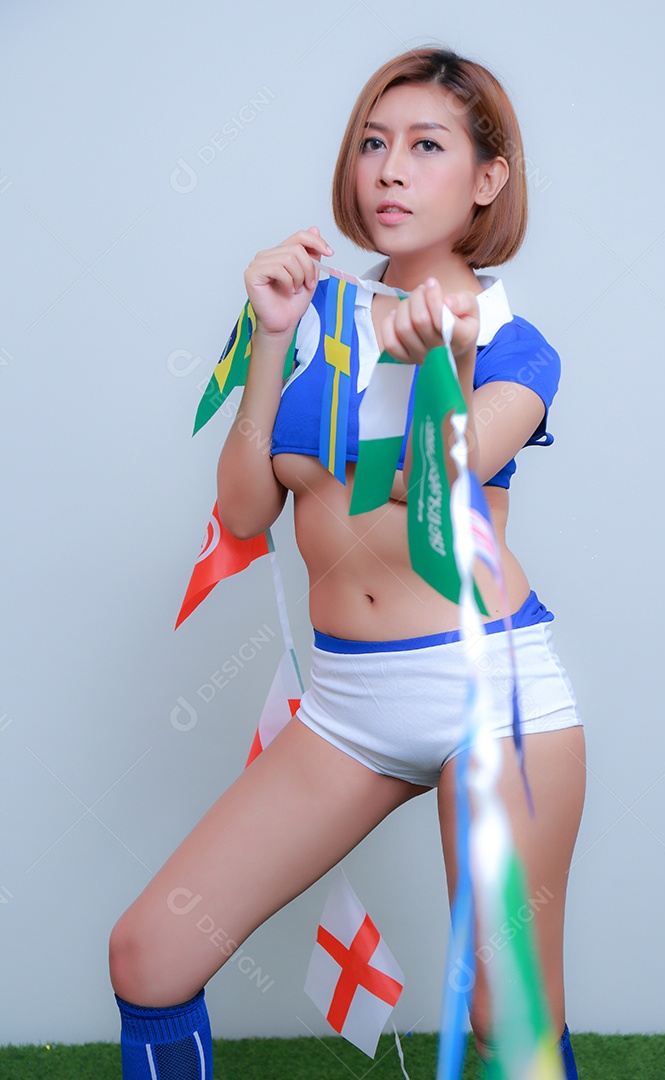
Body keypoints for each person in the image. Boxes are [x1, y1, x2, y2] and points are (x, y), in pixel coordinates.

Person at [109, 46, 586, 1079]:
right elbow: (244, 509)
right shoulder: (316, 311)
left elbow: (437, 495)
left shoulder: (514, 342)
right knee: (148, 955)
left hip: (490, 693)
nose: (389, 170)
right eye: (373, 143)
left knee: (511, 1027)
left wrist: (446, 367)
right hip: (347, 704)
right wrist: (274, 337)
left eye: (426, 146)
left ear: (487, 180)